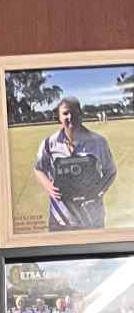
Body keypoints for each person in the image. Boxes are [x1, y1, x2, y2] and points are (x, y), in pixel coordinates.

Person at [33, 96, 118, 231]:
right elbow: (39, 168)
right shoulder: (48, 143)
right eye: (65, 113)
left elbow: (111, 171)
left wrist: (99, 189)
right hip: (60, 218)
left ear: (81, 114)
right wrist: (48, 186)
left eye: (74, 112)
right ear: (59, 117)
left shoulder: (98, 142)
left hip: (92, 217)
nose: (70, 117)